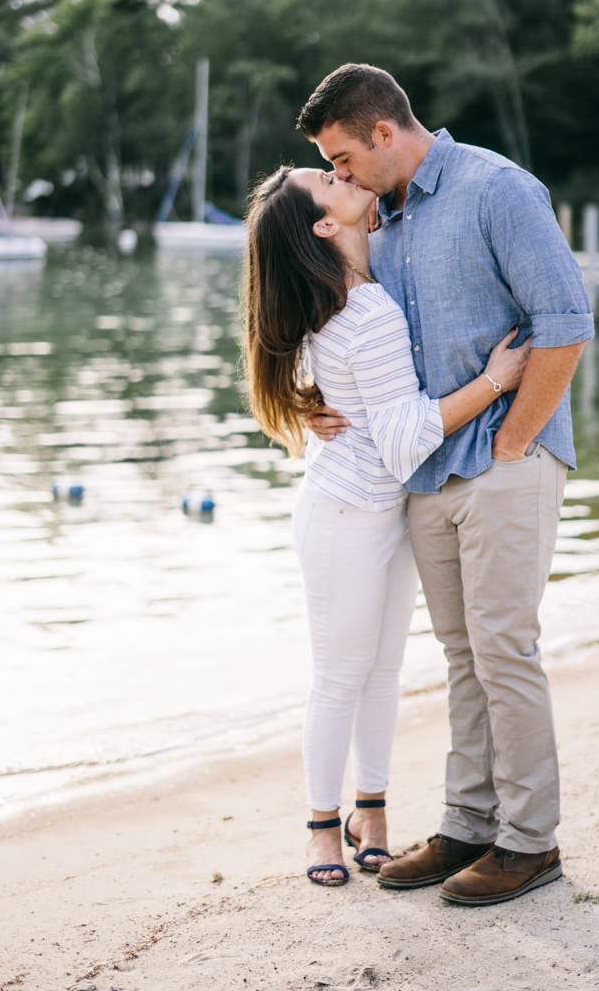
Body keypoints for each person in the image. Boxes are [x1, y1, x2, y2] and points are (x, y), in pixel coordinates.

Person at [298, 64, 594, 907]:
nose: (341, 177)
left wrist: (513, 441)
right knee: (463, 658)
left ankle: (531, 843)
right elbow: (352, 341)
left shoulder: (497, 189)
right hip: (424, 472)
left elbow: (565, 325)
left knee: (505, 649)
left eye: (345, 158)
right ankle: (469, 823)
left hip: (507, 459)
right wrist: (310, 400)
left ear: (385, 132)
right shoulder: (376, 224)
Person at [243, 164, 531, 887]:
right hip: (346, 515)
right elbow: (406, 439)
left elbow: (351, 391)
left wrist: (314, 396)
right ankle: (319, 828)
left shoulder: (362, 290)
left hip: (386, 510)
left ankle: (370, 813)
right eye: (327, 178)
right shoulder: (363, 309)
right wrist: (497, 381)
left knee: (383, 674)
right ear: (323, 225)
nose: (343, 173)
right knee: (340, 677)